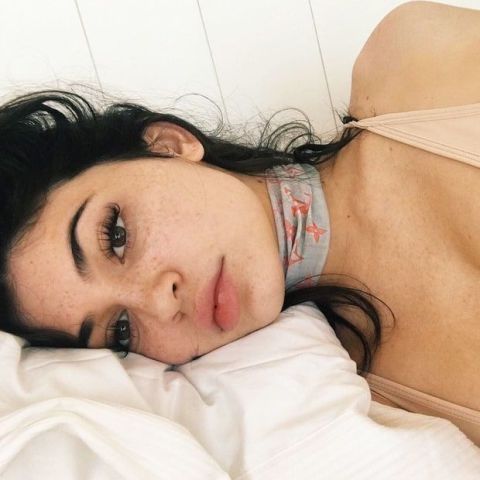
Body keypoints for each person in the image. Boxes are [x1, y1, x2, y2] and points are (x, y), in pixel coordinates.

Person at [1, 1, 479, 443]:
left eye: (117, 236)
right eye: (121, 331)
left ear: (169, 145)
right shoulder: (369, 414)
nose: (160, 303)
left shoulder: (410, 63)